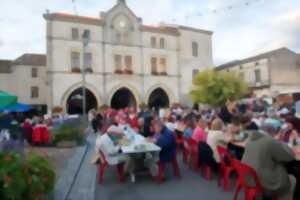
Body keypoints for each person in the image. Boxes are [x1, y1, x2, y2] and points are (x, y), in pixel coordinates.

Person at [242, 123, 296, 200]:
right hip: (262, 181)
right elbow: (289, 157)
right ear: (272, 133)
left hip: (249, 177)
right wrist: (280, 142)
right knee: (292, 179)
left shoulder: (250, 139)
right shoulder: (269, 141)